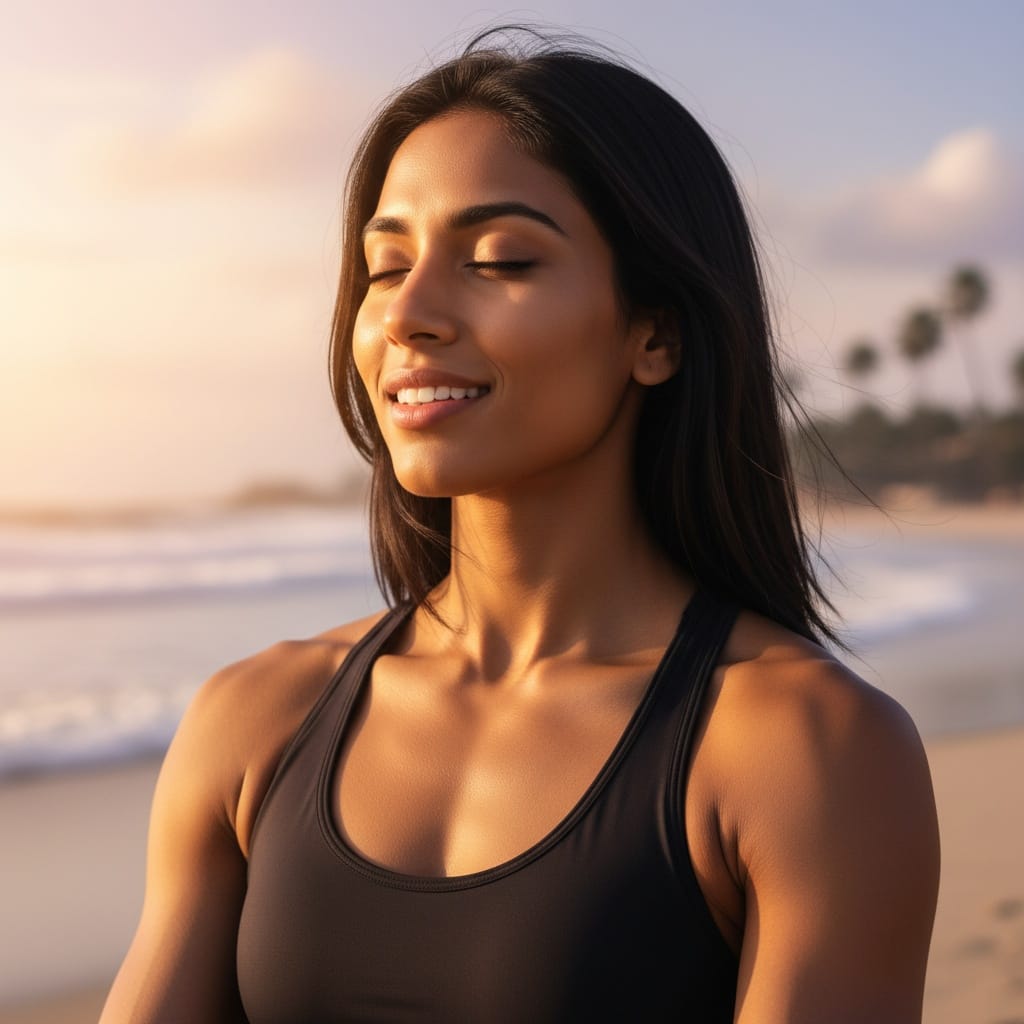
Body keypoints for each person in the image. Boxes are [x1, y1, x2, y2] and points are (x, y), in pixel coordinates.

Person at [101, 27, 940, 1024]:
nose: (408, 313)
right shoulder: (253, 723)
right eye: (383, 266)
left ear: (655, 334)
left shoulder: (803, 748)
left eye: (498, 259)